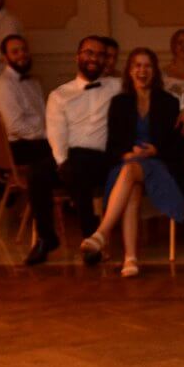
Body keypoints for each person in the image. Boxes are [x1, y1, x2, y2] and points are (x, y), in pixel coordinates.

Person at [80, 48, 184, 276]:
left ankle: (102, 233)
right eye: (137, 66)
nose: (142, 70)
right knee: (132, 183)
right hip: (127, 166)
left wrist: (156, 149)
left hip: (160, 165)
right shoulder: (119, 103)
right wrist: (125, 155)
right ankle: (130, 259)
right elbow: (112, 145)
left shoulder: (169, 102)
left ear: (155, 71)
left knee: (131, 173)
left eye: (147, 66)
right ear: (130, 71)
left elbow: (178, 145)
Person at [37, 35, 119, 264]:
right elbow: (56, 131)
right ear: (78, 57)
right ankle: (46, 237)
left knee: (79, 166)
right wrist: (62, 162)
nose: (94, 58)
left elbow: (156, 87)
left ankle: (90, 239)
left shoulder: (117, 86)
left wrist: (182, 107)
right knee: (37, 173)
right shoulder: (59, 95)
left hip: (99, 157)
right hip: (67, 155)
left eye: (100, 55)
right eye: (89, 53)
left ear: (105, 60)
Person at [0, 34, 59, 248]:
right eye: (15, 51)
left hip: (34, 141)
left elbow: (43, 117)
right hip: (18, 148)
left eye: (24, 50)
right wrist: (50, 136)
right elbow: (16, 127)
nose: (22, 55)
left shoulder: (33, 82)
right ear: (5, 57)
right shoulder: (2, 86)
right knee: (65, 154)